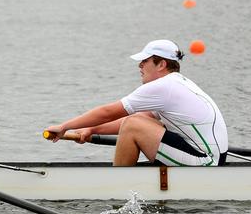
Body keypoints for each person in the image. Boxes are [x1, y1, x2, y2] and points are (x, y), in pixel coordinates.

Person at [44, 40, 228, 167]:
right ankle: (126, 178)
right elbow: (141, 117)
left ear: (161, 64)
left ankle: (119, 187)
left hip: (206, 163)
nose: (140, 65)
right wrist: (92, 130)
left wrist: (64, 126)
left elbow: (109, 112)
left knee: (133, 125)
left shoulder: (163, 87)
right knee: (138, 119)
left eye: (145, 61)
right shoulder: (177, 83)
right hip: (211, 157)